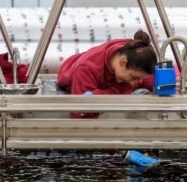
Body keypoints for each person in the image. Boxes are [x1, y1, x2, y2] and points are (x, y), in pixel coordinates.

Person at [55, 30, 161, 170]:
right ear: (123, 62)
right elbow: (82, 121)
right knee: (89, 107)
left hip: (109, 80)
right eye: (134, 78)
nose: (135, 83)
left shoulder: (132, 50)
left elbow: (136, 82)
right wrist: (123, 151)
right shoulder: (87, 69)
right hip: (73, 74)